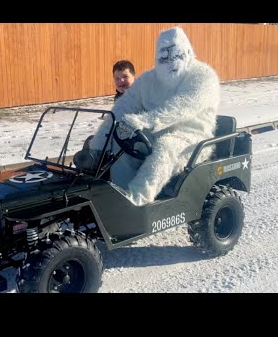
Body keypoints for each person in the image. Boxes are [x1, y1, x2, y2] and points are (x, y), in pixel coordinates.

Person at [89, 27, 221, 206]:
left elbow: (182, 106)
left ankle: (136, 201)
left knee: (165, 148)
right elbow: (124, 105)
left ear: (188, 52)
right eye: (165, 58)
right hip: (152, 133)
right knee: (122, 145)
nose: (172, 63)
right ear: (157, 58)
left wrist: (145, 120)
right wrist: (99, 142)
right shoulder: (148, 79)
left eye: (176, 56)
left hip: (192, 136)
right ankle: (117, 198)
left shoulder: (204, 77)